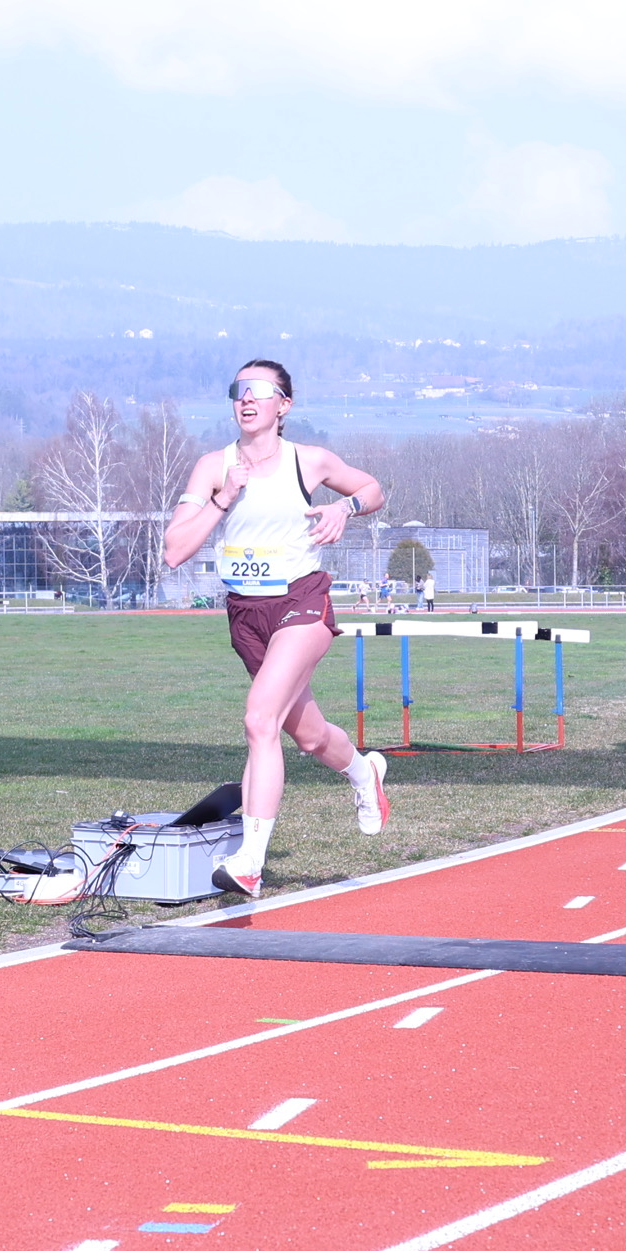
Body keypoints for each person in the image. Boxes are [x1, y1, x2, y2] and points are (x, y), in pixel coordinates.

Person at [163, 360, 392, 899]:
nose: (247, 398)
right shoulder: (213, 468)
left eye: (260, 390)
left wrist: (345, 508)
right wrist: (222, 499)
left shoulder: (308, 461)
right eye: (239, 390)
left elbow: (373, 489)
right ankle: (364, 773)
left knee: (259, 719)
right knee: (308, 735)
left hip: (301, 602)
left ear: (283, 404)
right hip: (247, 615)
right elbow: (175, 550)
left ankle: (250, 861)